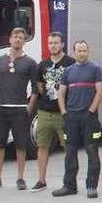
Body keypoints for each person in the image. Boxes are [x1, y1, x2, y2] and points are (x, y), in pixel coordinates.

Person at [0, 27, 38, 191]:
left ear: (24, 41)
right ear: (9, 39)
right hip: (1, 108)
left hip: (20, 108)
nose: (17, 40)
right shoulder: (0, 60)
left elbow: (36, 88)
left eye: (21, 37)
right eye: (15, 36)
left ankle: (20, 178)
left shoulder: (30, 62)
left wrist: (29, 107)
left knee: (21, 145)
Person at [51, 41, 102, 198]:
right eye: (79, 51)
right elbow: (61, 94)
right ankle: (69, 186)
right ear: (74, 52)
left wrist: (91, 111)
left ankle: (91, 186)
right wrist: (64, 113)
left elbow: (99, 92)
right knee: (70, 151)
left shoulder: (96, 69)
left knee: (92, 151)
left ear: (88, 52)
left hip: (89, 118)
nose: (82, 53)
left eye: (84, 50)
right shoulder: (68, 71)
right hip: (71, 118)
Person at [30, 32, 75, 192]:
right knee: (42, 146)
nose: (53, 46)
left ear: (62, 44)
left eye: (56, 43)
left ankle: (69, 182)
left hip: (63, 114)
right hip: (44, 113)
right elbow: (39, 87)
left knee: (68, 148)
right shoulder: (42, 65)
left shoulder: (71, 63)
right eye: (50, 43)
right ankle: (41, 180)